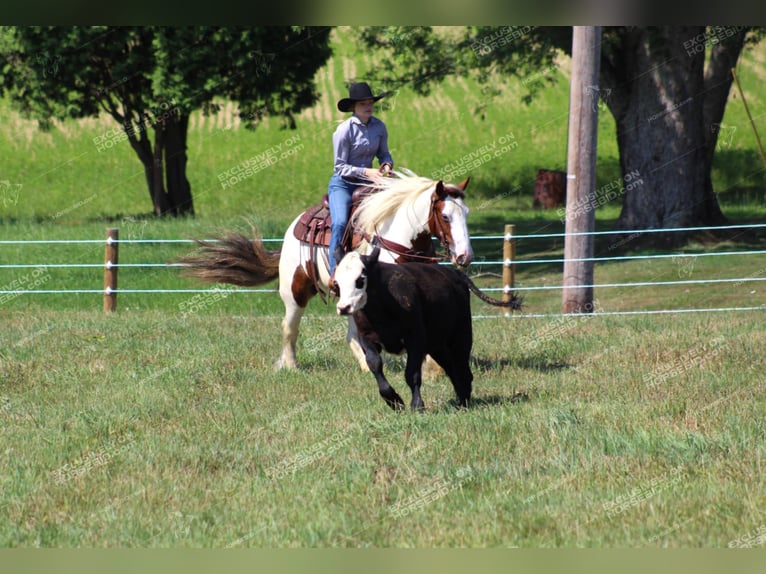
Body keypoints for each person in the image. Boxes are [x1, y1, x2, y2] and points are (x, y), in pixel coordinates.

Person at [327, 82, 393, 283]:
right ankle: (334, 271)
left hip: (370, 182)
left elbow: (384, 153)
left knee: (389, 213)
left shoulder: (379, 127)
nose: (368, 106)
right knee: (339, 223)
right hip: (344, 183)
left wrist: (387, 164)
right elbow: (340, 167)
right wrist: (367, 171)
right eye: (363, 104)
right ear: (353, 108)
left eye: (370, 102)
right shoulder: (344, 130)